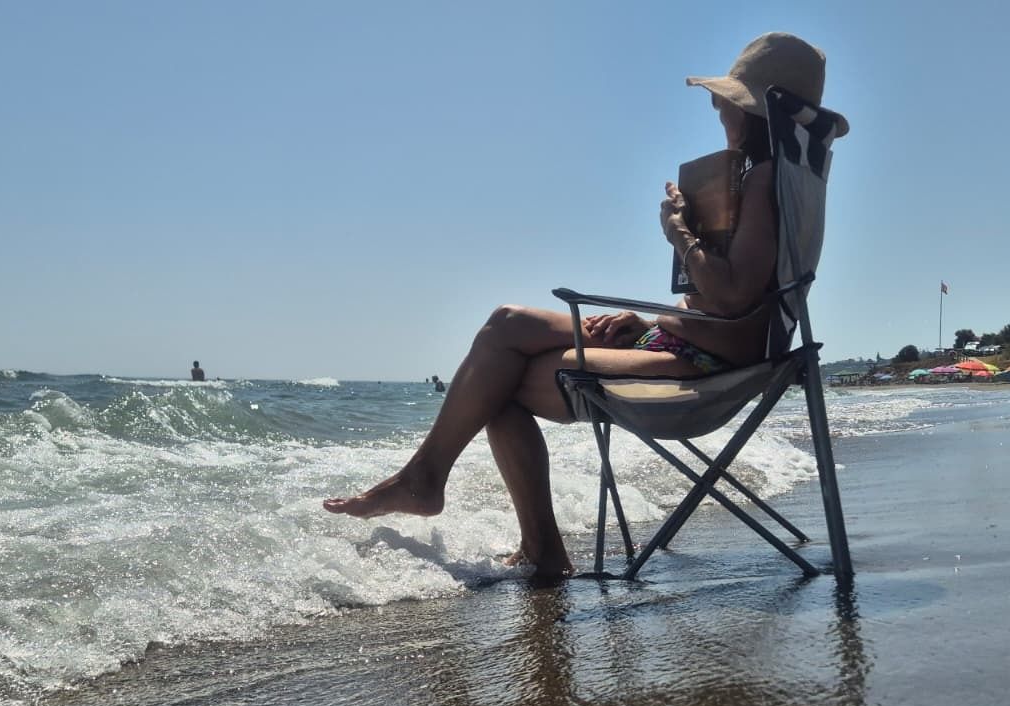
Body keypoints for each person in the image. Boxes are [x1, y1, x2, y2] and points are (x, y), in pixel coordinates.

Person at [323, 32, 845, 579]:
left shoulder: (762, 179)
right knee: (507, 323)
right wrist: (644, 321)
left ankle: (494, 522)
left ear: (753, 112)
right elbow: (742, 303)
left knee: (495, 388)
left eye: (726, 105)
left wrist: (678, 232)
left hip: (706, 369)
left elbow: (736, 293)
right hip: (685, 340)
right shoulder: (790, 182)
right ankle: (431, 481)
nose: (719, 114)